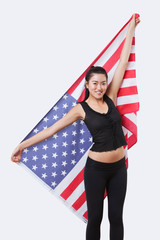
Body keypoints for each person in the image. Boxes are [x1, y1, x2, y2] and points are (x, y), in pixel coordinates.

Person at [11, 14, 140, 240]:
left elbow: (122, 62)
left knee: (117, 218)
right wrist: (21, 145)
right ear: (87, 85)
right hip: (96, 171)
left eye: (102, 83)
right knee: (96, 219)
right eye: (95, 84)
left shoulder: (111, 97)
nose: (100, 87)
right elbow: (50, 130)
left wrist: (130, 30)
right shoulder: (80, 109)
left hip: (119, 167)